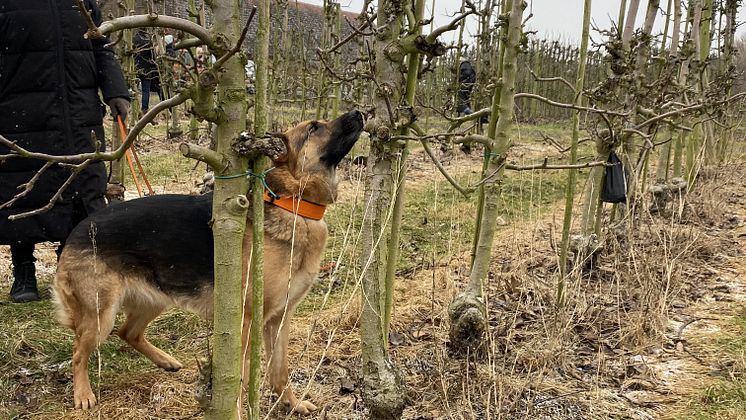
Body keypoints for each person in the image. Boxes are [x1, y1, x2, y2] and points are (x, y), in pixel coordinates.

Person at [0, 0, 130, 302]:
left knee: (82, 189)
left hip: (79, 112)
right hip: (20, 112)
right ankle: (23, 272)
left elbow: (101, 46)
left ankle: (69, 266)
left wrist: (115, 90)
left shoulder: (81, 2)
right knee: (24, 192)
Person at [134, 29, 163, 114]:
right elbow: (152, 57)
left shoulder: (133, 40)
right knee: (145, 91)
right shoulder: (148, 42)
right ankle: (144, 109)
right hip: (147, 70)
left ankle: (133, 108)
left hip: (135, 68)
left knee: (132, 88)